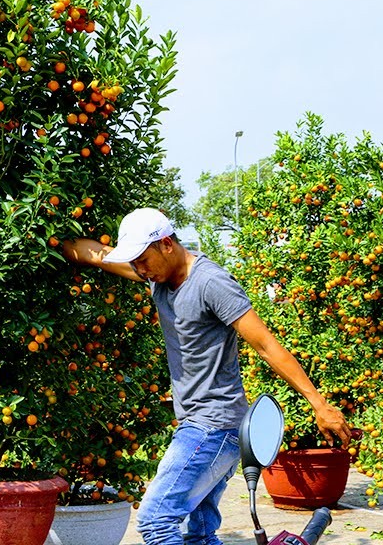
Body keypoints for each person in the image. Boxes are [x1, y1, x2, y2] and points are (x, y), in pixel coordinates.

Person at [63, 208, 352, 545]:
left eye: (143, 260)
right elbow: (97, 255)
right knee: (197, 534)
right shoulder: (157, 273)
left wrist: (320, 404)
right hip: (203, 425)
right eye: (136, 262)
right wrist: (44, 241)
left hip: (213, 426)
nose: (139, 269)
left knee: (156, 519)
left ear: (167, 244)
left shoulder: (211, 282)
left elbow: (266, 345)